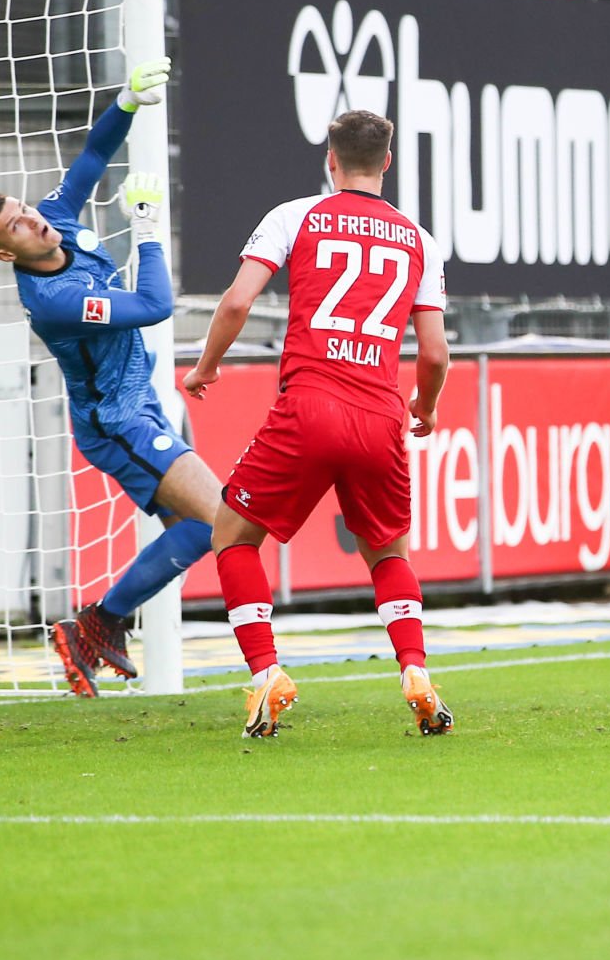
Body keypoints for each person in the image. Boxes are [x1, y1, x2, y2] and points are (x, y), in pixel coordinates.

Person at [182, 110, 454, 739]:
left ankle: (266, 673)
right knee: (388, 552)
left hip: (309, 405)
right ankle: (415, 670)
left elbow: (238, 301)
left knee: (233, 534)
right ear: (387, 162)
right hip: (380, 414)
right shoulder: (418, 238)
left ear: (329, 158)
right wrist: (428, 405)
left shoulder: (294, 216)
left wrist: (205, 367)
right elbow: (435, 354)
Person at [0, 57, 222, 697]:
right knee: (227, 520)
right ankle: (254, 660)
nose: (34, 219)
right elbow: (155, 306)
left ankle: (96, 625)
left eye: (26, 208)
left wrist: (127, 103)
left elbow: (92, 156)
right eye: (16, 225)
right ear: (4, 253)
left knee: (200, 529)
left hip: (140, 407)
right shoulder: (51, 302)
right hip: (116, 421)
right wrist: (149, 232)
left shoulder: (63, 222)